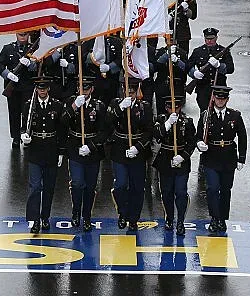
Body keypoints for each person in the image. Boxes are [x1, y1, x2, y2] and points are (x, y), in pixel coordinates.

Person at [196, 85, 247, 234]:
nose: (220, 101)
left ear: (227, 100)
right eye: (217, 98)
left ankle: (222, 218)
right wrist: (199, 144)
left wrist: (241, 158)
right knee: (212, 189)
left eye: (223, 98)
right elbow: (198, 136)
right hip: (211, 157)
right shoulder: (206, 116)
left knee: (225, 190)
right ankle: (214, 218)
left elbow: (242, 137)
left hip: (228, 158)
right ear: (214, 98)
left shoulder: (235, 116)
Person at [20, 77, 65, 233]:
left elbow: (61, 131)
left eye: (44, 88)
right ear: (36, 89)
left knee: (49, 188)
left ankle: (45, 217)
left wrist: (61, 152)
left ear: (48, 89)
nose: (42, 91)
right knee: (35, 187)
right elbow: (23, 125)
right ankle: (34, 220)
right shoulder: (29, 106)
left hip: (51, 150)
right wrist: (23, 136)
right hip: (35, 150)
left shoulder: (57, 106)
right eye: (40, 88)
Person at [62, 77, 108, 231]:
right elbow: (62, 122)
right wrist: (74, 106)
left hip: (92, 151)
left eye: (86, 89)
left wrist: (91, 146)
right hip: (75, 147)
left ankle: (87, 215)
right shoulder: (71, 102)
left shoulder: (99, 106)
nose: (84, 91)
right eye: (81, 88)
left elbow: (104, 131)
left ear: (92, 90)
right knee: (77, 183)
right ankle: (76, 211)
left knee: (90, 186)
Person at [107, 82, 153, 231]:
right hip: (120, 149)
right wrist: (120, 109)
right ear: (123, 91)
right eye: (128, 92)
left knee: (137, 187)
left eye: (133, 92)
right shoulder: (115, 103)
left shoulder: (144, 107)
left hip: (137, 151)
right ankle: (122, 213)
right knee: (120, 185)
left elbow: (149, 131)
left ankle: (134, 218)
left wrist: (138, 147)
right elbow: (107, 123)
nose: (130, 95)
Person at [152, 97, 197, 235]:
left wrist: (183, 156)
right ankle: (169, 218)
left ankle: (181, 221)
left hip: (181, 160)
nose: (174, 110)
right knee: (166, 192)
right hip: (165, 159)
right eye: (171, 108)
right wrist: (167, 124)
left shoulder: (187, 121)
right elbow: (157, 136)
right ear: (166, 108)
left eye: (176, 108)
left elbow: (191, 142)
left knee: (181, 192)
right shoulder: (160, 119)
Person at [0, 31, 39, 147]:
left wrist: (30, 65)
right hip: (13, 87)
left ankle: (26, 134)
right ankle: (15, 137)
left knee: (27, 113)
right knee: (14, 113)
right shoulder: (8, 48)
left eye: (25, 35)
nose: (23, 37)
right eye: (21, 35)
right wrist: (8, 74)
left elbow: (39, 67)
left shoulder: (33, 49)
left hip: (27, 86)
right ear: (16, 35)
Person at [187, 27, 235, 112]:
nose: (209, 41)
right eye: (207, 39)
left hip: (219, 87)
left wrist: (219, 66)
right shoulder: (198, 51)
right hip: (203, 87)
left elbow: (231, 69)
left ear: (216, 38)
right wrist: (194, 73)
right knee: (204, 112)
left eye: (211, 39)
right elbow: (188, 66)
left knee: (218, 112)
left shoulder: (223, 51)